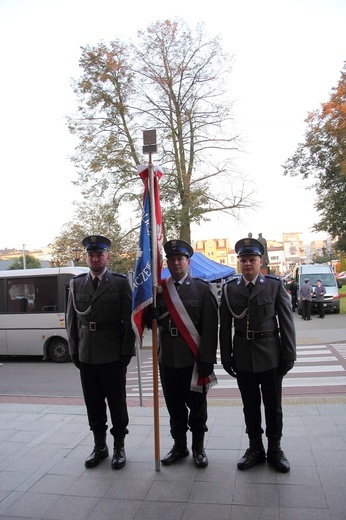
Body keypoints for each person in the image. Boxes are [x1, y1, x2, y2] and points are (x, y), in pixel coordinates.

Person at [219, 237, 296, 473]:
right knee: (250, 406)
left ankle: (274, 448)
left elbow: (286, 322)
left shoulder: (273, 285)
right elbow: (225, 326)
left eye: (252, 260)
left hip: (271, 355)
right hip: (243, 356)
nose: (247, 264)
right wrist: (226, 356)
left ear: (260, 262)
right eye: (243, 260)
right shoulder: (230, 288)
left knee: (273, 406)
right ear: (239, 262)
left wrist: (289, 355)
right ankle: (255, 447)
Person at [66, 235, 135, 470]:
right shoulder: (76, 284)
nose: (95, 259)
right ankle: (100, 446)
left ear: (107, 256)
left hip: (113, 353)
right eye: (91, 255)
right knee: (93, 403)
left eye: (99, 255)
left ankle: (119, 447)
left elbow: (129, 320)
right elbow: (71, 321)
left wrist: (126, 351)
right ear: (86, 257)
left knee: (117, 403)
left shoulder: (120, 283)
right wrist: (74, 350)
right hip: (86, 353)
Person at [151, 239, 218, 468]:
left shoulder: (202, 289)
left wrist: (208, 359)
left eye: (180, 259)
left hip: (193, 359)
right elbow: (152, 324)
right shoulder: (159, 290)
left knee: (197, 407)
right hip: (167, 359)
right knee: (174, 406)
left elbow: (210, 328)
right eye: (171, 259)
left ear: (188, 262)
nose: (176, 263)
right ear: (167, 263)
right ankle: (179, 446)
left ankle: (198, 448)